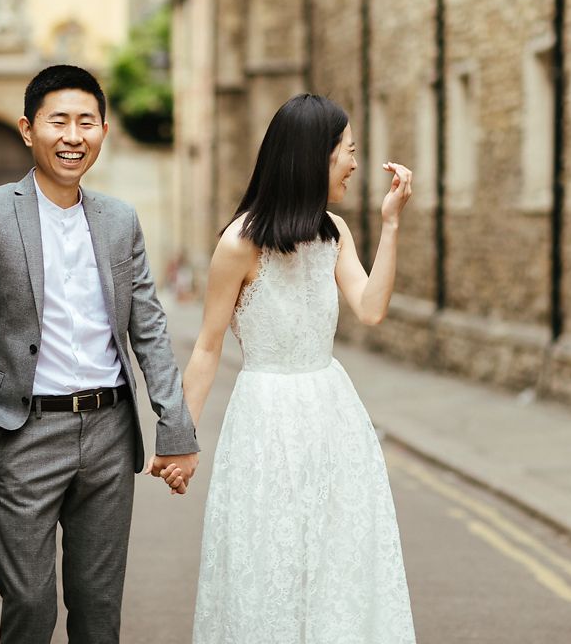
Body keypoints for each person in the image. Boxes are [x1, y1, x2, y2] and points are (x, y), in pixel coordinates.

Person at [0, 64, 200, 644]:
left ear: (104, 130)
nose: (73, 136)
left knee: (99, 614)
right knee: (30, 607)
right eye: (59, 121)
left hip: (109, 435)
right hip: (23, 435)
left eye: (86, 122)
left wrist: (175, 427)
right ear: (29, 130)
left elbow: (149, 329)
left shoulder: (119, 220)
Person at [164, 93, 418, 643]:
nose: (354, 162)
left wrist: (391, 226)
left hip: (333, 416)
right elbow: (207, 347)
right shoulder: (239, 244)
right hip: (265, 420)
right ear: (313, 157)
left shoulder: (335, 233)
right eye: (347, 151)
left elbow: (371, 309)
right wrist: (179, 439)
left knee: (337, 563)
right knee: (268, 562)